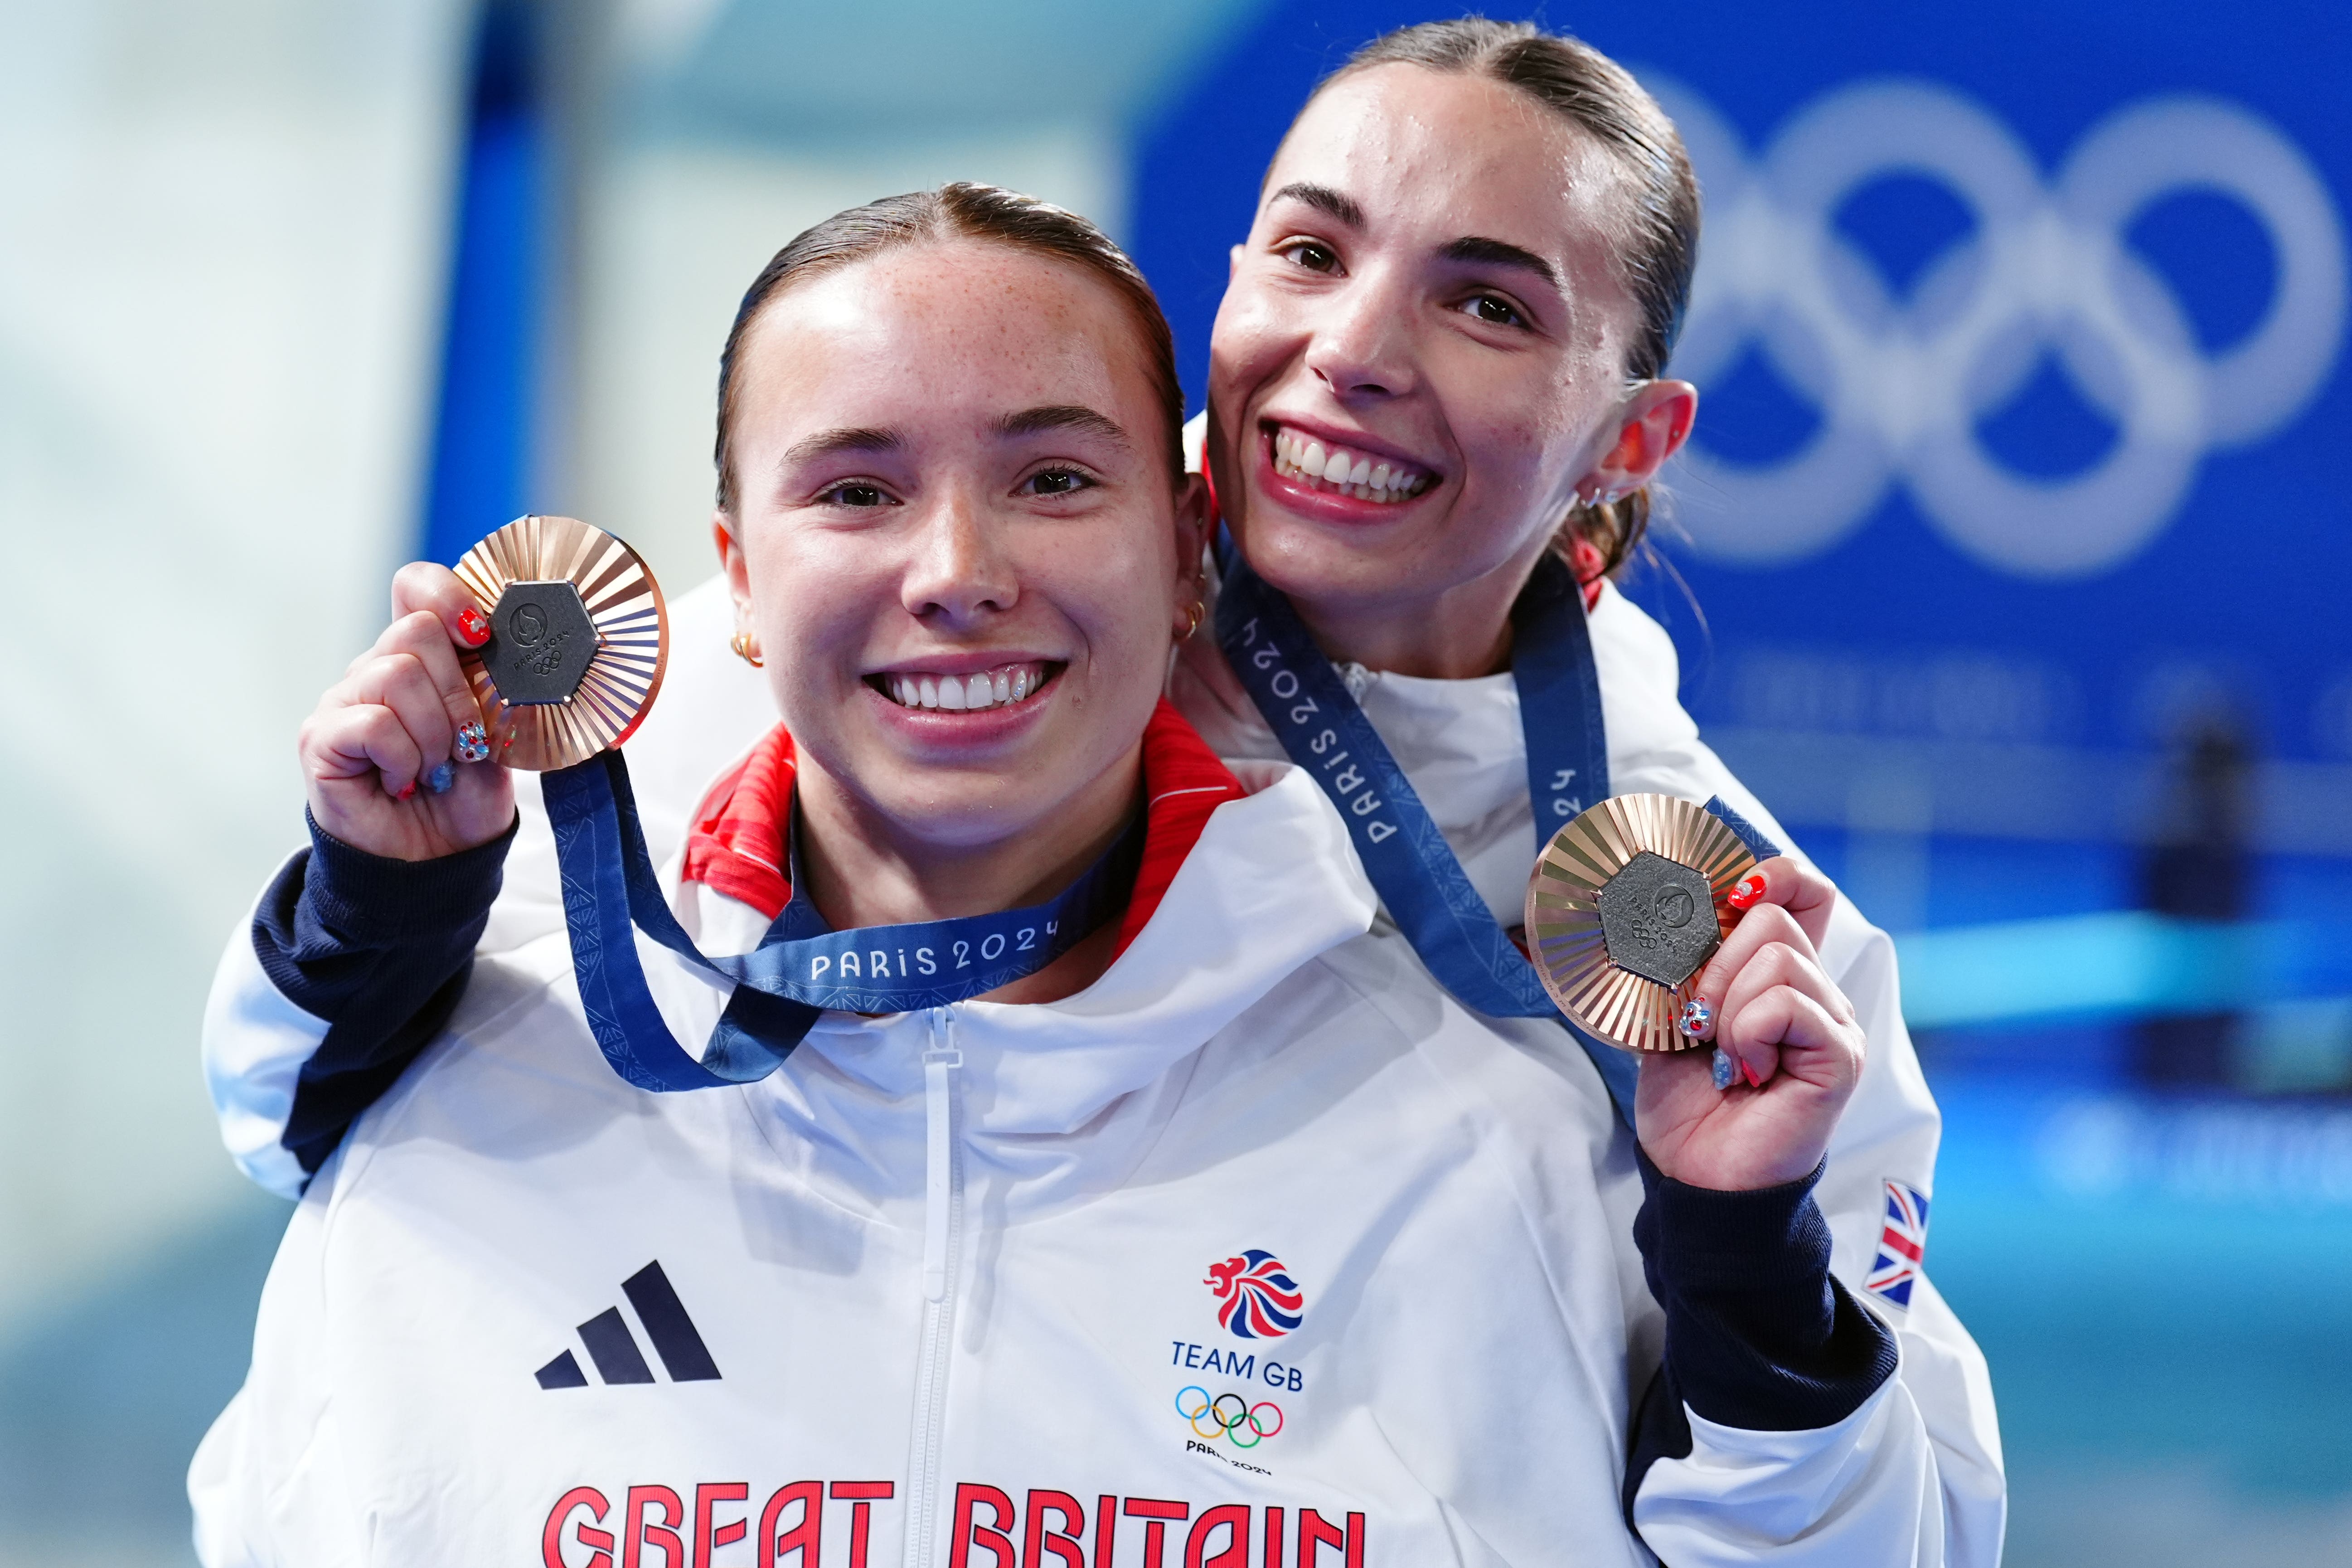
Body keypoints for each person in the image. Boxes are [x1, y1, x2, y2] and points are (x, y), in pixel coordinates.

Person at [203, 15, 2001, 1557]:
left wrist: (1743, 1259)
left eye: (1482, 302)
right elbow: (305, 1115)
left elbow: (1884, 1534)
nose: (1357, 347)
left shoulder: (1716, 940)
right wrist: (381, 890)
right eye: (1311, 252)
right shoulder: (767, 679)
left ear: (1631, 438)